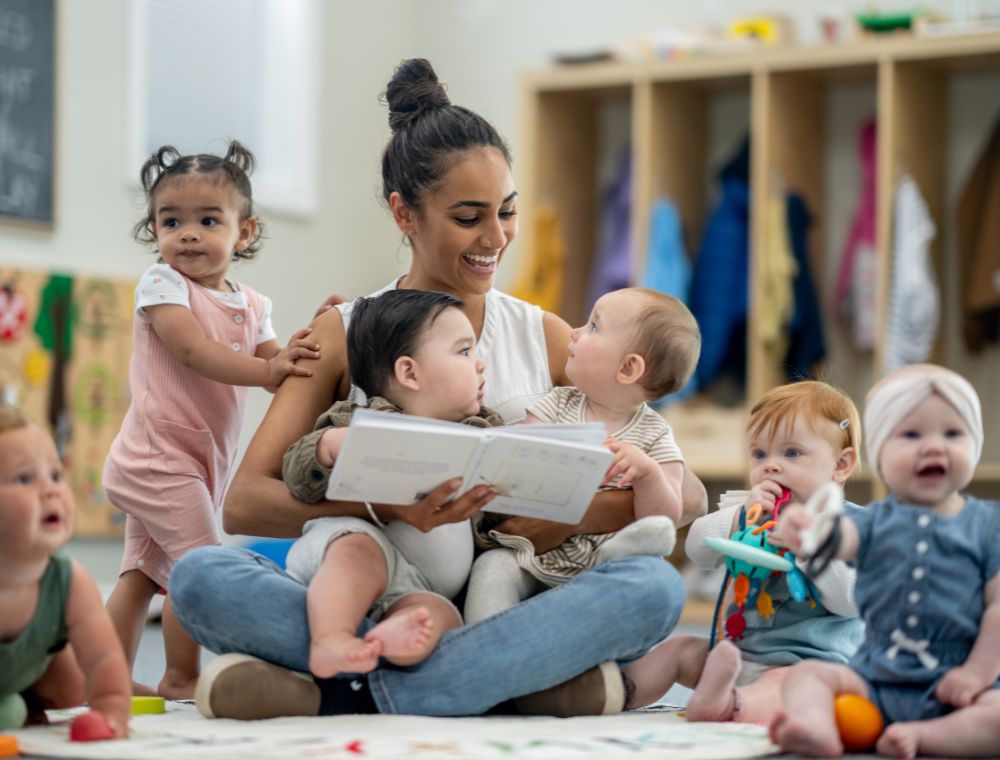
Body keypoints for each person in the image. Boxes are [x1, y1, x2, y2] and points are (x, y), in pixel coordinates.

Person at [170, 57, 707, 720]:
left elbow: (680, 491)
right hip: (368, 588)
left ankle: (347, 692)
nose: (496, 237)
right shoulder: (345, 331)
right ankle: (489, 687)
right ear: (405, 213)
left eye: (506, 211)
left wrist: (552, 517)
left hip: (500, 601)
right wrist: (384, 512)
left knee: (652, 588)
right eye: (468, 216)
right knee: (199, 579)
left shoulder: (546, 336)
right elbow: (244, 504)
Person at [103, 142, 319, 700]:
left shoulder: (252, 303)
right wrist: (268, 369)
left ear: (244, 232)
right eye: (170, 221)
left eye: (207, 220)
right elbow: (196, 352)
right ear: (154, 230)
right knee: (197, 568)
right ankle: (181, 676)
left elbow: (280, 366)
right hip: (158, 459)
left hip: (196, 462)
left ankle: (99, 676)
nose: (187, 234)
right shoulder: (162, 286)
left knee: (141, 577)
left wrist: (312, 339)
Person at [769, 365, 1000, 759]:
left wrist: (975, 674)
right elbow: (839, 539)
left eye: (952, 433)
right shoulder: (874, 521)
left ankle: (928, 737)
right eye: (911, 434)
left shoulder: (988, 525)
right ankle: (816, 728)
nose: (933, 447)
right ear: (878, 454)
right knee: (807, 674)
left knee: (996, 717)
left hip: (956, 683)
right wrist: (808, 532)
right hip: (874, 678)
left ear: (974, 445)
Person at [282, 289, 503, 679]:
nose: (481, 365)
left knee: (442, 619)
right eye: (465, 352)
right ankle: (331, 639)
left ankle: (382, 645)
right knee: (357, 551)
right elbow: (298, 477)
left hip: (418, 588)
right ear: (409, 373)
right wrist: (328, 447)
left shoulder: (485, 434)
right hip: (355, 553)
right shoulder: (361, 420)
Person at [622, 381, 865, 721]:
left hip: (805, 668)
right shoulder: (750, 511)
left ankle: (730, 705)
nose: (771, 466)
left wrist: (809, 549)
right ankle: (611, 694)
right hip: (735, 657)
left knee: (784, 686)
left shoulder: (851, 527)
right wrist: (738, 518)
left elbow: (853, 599)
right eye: (759, 454)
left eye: (792, 453)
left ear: (841, 465)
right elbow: (698, 550)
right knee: (679, 650)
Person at [465, 287, 699, 623]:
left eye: (593, 326)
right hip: (536, 553)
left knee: (642, 580)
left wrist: (647, 474)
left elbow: (665, 517)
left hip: (608, 564)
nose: (573, 332)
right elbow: (517, 461)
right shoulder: (557, 403)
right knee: (492, 567)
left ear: (629, 368)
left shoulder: (654, 434)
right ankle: (484, 646)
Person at [0, 407, 131, 736]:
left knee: (74, 685)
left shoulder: (70, 582)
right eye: (24, 478)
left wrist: (111, 710)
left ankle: (25, 701)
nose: (51, 490)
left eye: (55, 475)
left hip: (24, 672)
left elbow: (104, 660)